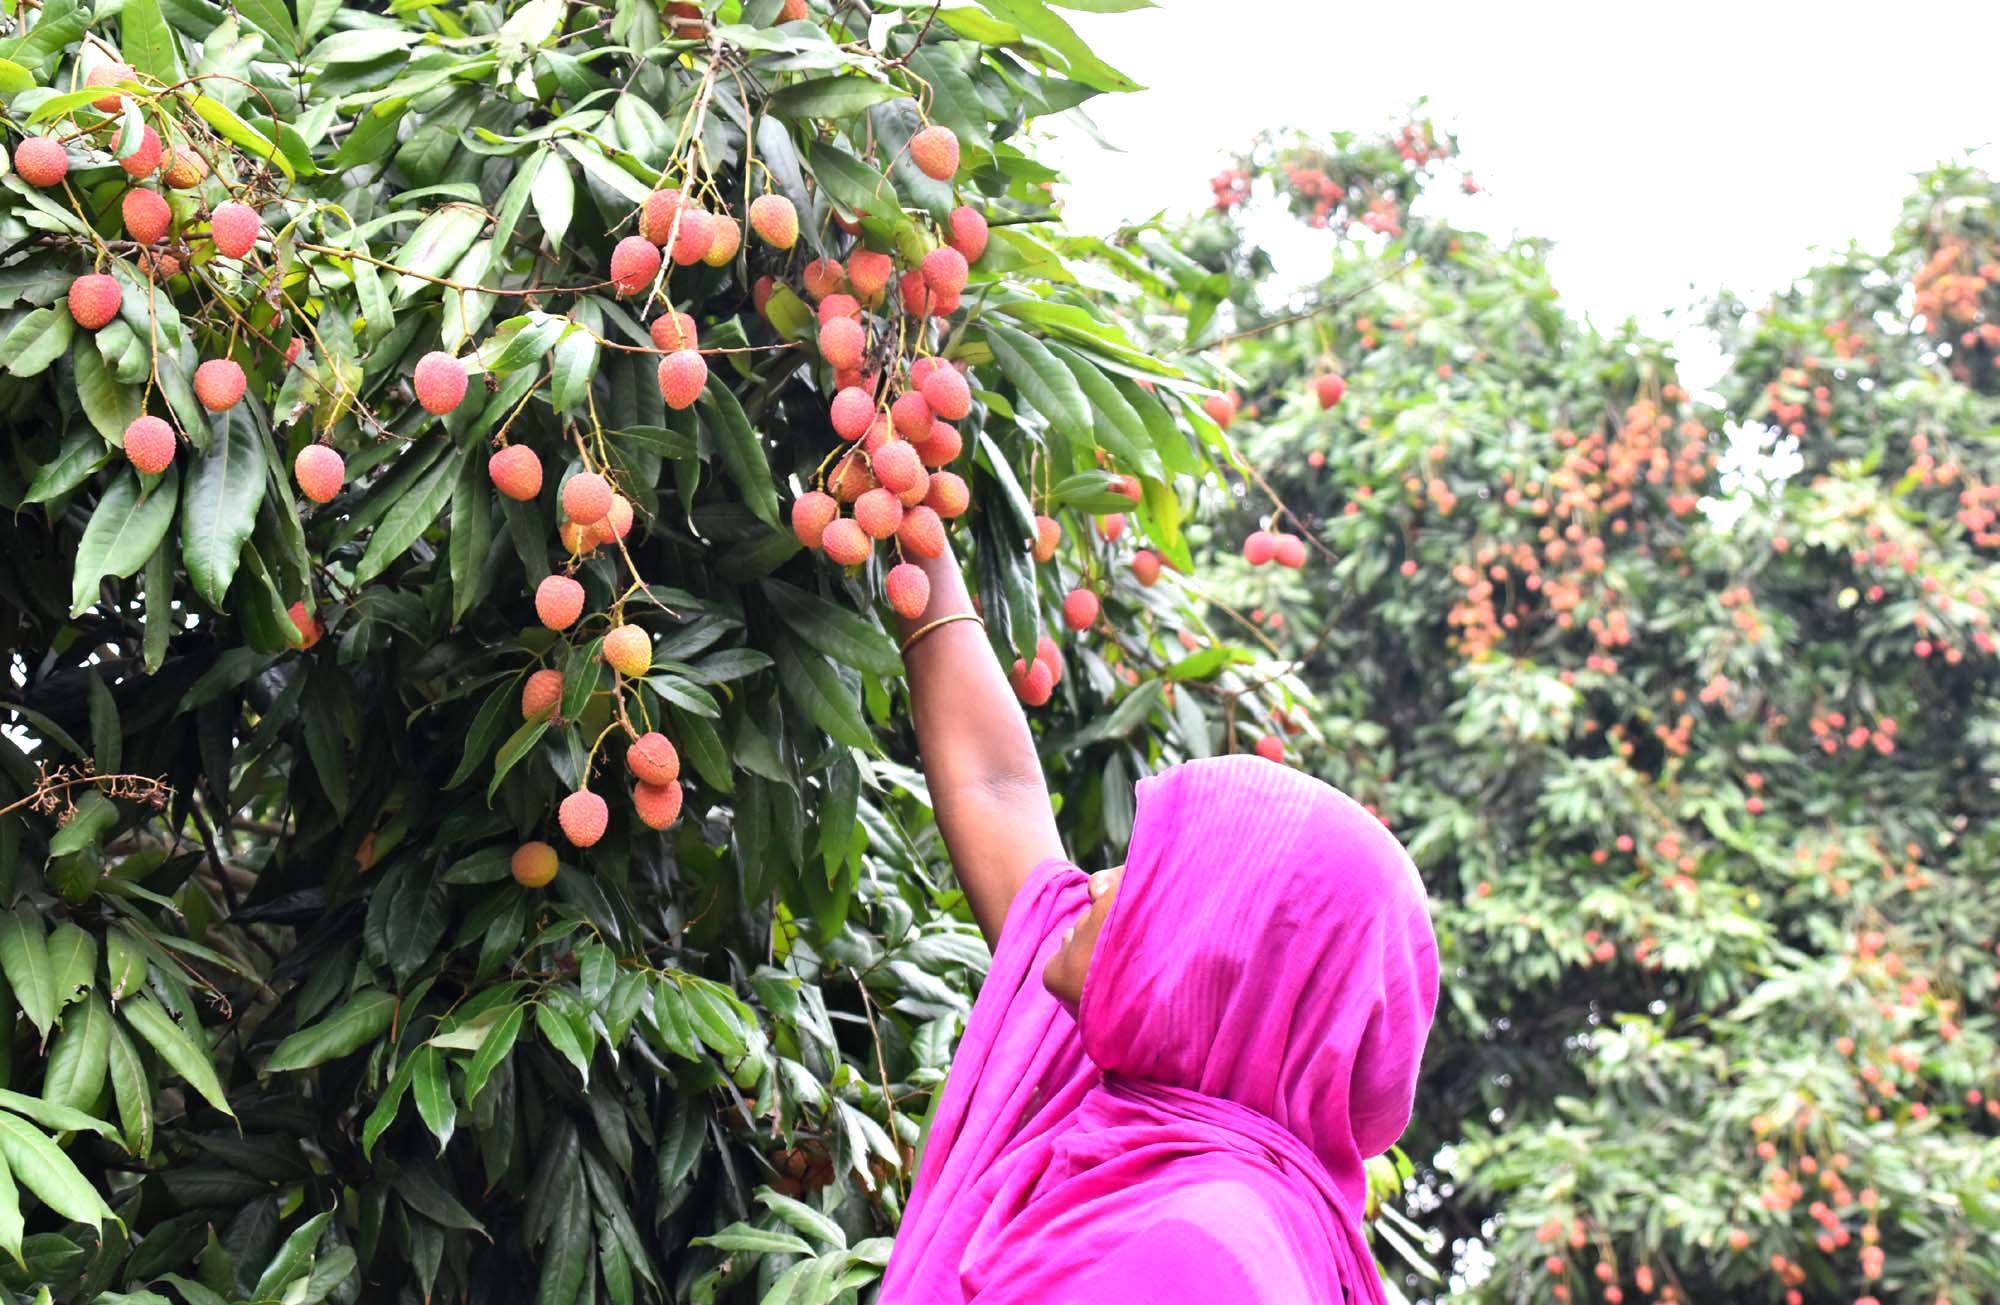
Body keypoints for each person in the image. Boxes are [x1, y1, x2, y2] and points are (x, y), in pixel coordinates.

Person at [878, 542, 1440, 1305]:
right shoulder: (1124, 1092)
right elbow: (996, 787)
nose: (1098, 882)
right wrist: (920, 542)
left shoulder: (1212, 1255)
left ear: (1208, 961)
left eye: (1142, 875)